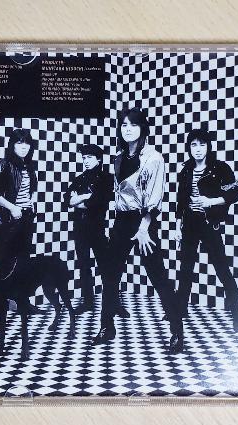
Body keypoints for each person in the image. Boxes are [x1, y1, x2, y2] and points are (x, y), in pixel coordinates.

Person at [95, 108, 183, 352]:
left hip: (144, 221)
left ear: (143, 128)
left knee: (158, 276)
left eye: (133, 125)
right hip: (121, 221)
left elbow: (155, 197)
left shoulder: (154, 158)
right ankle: (106, 327)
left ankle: (177, 331)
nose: (128, 129)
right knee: (110, 274)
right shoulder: (118, 158)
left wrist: (144, 228)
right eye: (124, 125)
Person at [174, 128, 238, 333]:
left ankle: (237, 317)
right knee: (185, 268)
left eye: (202, 145)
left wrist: (211, 201)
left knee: (222, 268)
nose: (197, 149)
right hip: (189, 223)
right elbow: (181, 200)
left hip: (209, 223)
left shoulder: (219, 168)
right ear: (189, 147)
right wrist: (177, 226)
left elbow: (235, 192)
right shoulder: (186, 169)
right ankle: (180, 310)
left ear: (208, 146)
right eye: (193, 145)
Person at [0, 128, 39, 330]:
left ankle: (23, 304)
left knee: (24, 264)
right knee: (3, 267)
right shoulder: (4, 164)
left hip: (26, 218)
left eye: (27, 143)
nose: (24, 147)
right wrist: (12, 208)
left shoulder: (29, 165)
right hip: (10, 221)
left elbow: (30, 189)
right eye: (19, 143)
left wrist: (31, 203)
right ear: (12, 145)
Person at [64, 144, 114, 318]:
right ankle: (88, 302)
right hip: (79, 228)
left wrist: (79, 199)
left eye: (89, 157)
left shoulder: (107, 178)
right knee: (83, 265)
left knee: (107, 266)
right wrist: (85, 197)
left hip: (97, 228)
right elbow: (67, 200)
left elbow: (97, 203)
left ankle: (113, 303)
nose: (85, 161)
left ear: (98, 159)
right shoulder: (79, 178)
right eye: (84, 158)